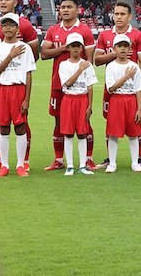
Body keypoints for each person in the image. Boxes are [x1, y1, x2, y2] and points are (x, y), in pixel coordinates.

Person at [0, 0, 39, 172]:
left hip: (18, 85)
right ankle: (0, 160)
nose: (3, 2)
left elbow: (33, 56)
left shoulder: (26, 26)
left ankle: (23, 162)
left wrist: (17, 54)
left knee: (21, 123)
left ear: (15, 2)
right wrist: (6, 52)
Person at [42, 0, 97, 171]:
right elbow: (44, 53)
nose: (65, 10)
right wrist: (64, 48)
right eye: (62, 7)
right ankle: (59, 159)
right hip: (58, 83)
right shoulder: (53, 30)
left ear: (77, 10)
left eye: (69, 7)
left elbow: (89, 59)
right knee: (58, 121)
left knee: (84, 121)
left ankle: (87, 159)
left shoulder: (85, 31)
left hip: (80, 87)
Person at [94, 1, 141, 169]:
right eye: (116, 14)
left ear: (129, 16)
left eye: (122, 14)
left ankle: (137, 159)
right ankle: (111, 160)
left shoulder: (138, 35)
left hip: (131, 90)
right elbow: (97, 60)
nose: (118, 17)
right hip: (112, 88)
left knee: (135, 125)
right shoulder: (105, 35)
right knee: (111, 124)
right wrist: (114, 54)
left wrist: (138, 82)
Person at [104, 34, 141, 173]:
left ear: (130, 48)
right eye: (119, 46)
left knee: (134, 134)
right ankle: (112, 163)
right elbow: (111, 88)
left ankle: (135, 162)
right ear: (114, 49)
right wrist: (126, 77)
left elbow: (139, 88)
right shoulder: (111, 67)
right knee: (113, 134)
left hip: (131, 100)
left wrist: (139, 108)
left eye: (125, 46)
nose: (122, 49)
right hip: (117, 100)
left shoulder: (134, 66)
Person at [58, 33, 98, 175]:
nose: (75, 49)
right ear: (68, 48)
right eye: (73, 46)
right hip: (68, 99)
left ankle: (82, 165)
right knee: (68, 134)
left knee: (82, 133)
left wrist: (89, 106)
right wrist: (80, 69)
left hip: (82, 100)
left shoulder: (87, 65)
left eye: (78, 46)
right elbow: (67, 83)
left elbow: (90, 86)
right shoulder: (63, 65)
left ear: (82, 48)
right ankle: (70, 165)